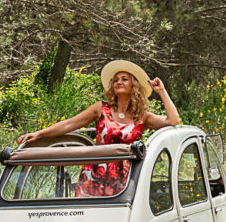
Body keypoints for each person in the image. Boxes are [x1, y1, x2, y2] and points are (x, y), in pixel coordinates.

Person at [15, 60, 181, 197]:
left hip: (126, 178)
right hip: (94, 175)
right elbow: (69, 124)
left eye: (124, 79)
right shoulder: (100, 109)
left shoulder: (142, 116)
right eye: (115, 80)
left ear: (134, 86)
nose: (119, 82)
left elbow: (173, 120)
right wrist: (39, 133)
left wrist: (162, 91)